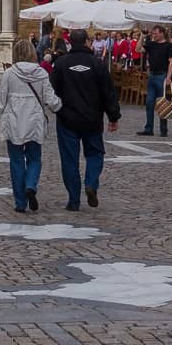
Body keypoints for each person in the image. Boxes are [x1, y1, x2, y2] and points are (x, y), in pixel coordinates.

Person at [0, 37, 61, 213]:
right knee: (34, 158)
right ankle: (31, 185)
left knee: (16, 161)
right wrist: (60, 106)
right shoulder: (41, 73)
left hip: (14, 122)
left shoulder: (9, 74)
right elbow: (51, 99)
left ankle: (20, 202)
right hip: (34, 122)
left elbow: (0, 99)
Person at [48, 28, 120, 212]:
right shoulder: (97, 64)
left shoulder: (62, 64)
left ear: (70, 42)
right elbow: (108, 92)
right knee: (95, 154)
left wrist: (56, 108)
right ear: (87, 42)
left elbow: (51, 90)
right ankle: (91, 183)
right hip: (92, 118)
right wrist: (113, 116)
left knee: (69, 160)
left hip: (67, 119)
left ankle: (73, 200)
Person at [139, 25, 172, 137]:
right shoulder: (151, 44)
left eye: (155, 33)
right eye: (153, 33)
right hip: (152, 75)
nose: (153, 35)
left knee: (162, 104)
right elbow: (138, 49)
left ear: (162, 33)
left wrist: (169, 77)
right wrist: (142, 36)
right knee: (149, 103)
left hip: (162, 76)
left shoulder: (168, 46)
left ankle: (163, 129)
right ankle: (149, 129)